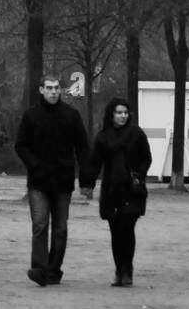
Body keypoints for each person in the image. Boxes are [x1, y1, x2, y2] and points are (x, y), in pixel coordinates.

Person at [14, 73, 92, 287]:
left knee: (60, 229)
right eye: (49, 88)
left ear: (61, 90)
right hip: (38, 181)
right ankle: (39, 268)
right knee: (40, 224)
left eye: (56, 88)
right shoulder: (31, 116)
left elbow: (83, 147)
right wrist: (34, 164)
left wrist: (86, 179)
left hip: (63, 181)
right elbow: (20, 145)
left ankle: (53, 269)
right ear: (41, 90)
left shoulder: (71, 115)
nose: (53, 91)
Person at [85, 96, 152, 287]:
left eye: (125, 112)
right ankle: (118, 269)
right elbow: (95, 162)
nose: (122, 116)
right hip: (111, 190)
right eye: (118, 112)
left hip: (131, 189)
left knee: (127, 228)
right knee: (115, 231)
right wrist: (88, 183)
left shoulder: (136, 134)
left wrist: (139, 174)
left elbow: (147, 158)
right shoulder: (103, 137)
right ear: (111, 114)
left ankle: (127, 269)